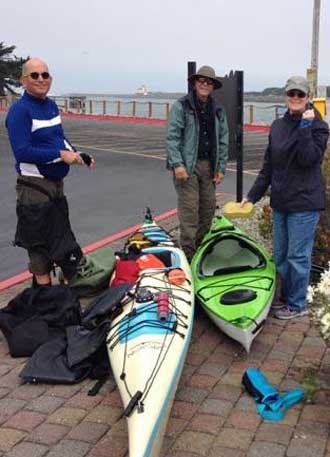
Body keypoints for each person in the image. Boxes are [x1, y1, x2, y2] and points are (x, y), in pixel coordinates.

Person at [241, 76, 329, 320]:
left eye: (301, 94)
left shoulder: (319, 126)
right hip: (281, 201)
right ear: (286, 96)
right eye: (292, 93)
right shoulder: (277, 126)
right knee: (280, 255)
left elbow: (308, 159)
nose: (296, 98)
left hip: (304, 203)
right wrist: (252, 196)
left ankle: (297, 303)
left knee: (297, 257)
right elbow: (269, 166)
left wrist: (304, 127)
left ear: (308, 97)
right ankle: (286, 296)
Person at [6, 58, 95, 286]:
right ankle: (44, 295)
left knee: (61, 238)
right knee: (38, 243)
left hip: (56, 185)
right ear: (23, 80)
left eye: (45, 75)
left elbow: (59, 137)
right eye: (34, 75)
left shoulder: (51, 106)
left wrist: (77, 154)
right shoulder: (19, 111)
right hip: (34, 186)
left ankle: (65, 294)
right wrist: (60, 154)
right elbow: (23, 152)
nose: (41, 79)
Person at [166, 65, 229, 261]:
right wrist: (177, 164)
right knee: (190, 211)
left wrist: (221, 168)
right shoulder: (181, 106)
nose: (204, 84)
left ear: (212, 87)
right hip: (187, 166)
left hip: (209, 166)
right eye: (201, 81)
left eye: (208, 82)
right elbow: (172, 138)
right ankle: (188, 254)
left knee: (208, 208)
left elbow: (223, 139)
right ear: (194, 83)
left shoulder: (217, 109)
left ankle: (201, 248)